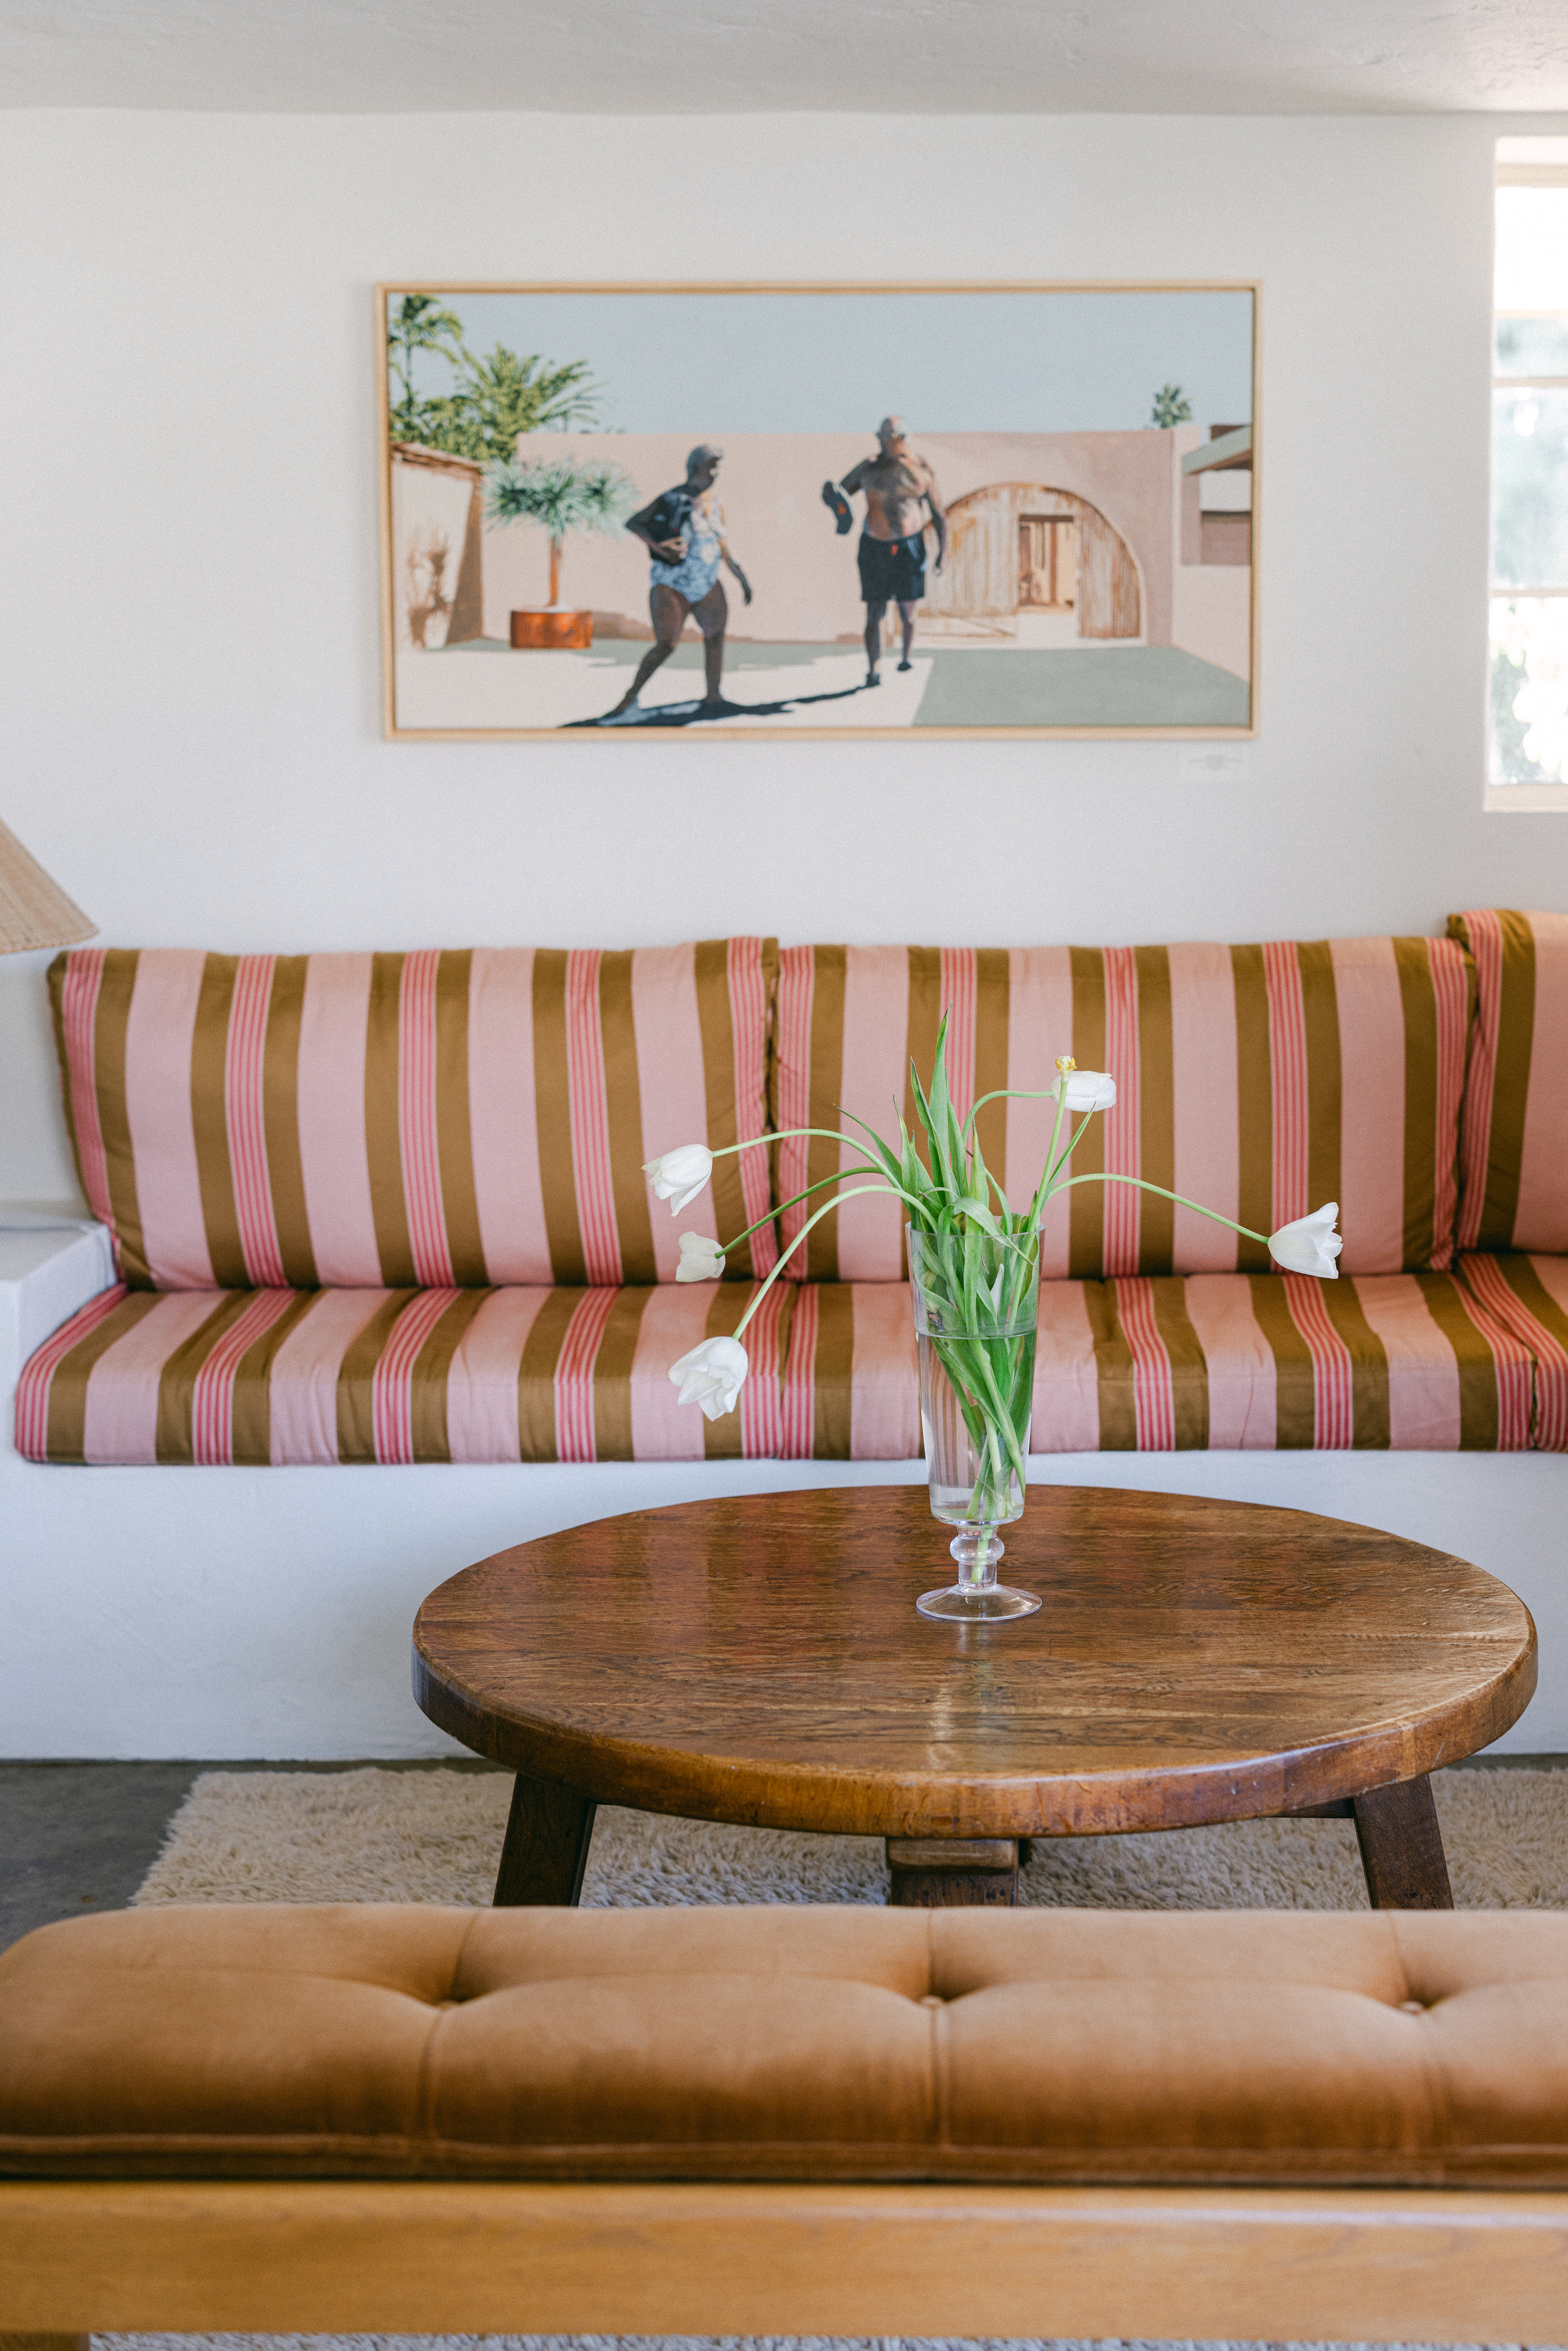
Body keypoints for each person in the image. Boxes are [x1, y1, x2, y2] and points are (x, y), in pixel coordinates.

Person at [603, 445, 752, 720]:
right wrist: (661, 549)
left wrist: (741, 577)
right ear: (696, 468)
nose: (716, 473)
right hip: (672, 582)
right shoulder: (672, 498)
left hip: (706, 581)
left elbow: (723, 544)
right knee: (666, 645)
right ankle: (628, 700)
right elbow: (635, 524)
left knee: (715, 638)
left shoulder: (715, 503)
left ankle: (713, 698)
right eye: (712, 466)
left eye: (718, 467)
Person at [822, 416, 947, 687]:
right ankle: (874, 669)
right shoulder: (869, 468)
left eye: (888, 439)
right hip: (874, 546)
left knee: (907, 612)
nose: (883, 444)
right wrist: (833, 498)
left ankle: (906, 656)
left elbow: (938, 514)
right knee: (875, 612)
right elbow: (841, 495)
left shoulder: (921, 469)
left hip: (909, 547)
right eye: (881, 439)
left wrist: (942, 555)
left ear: (902, 438)